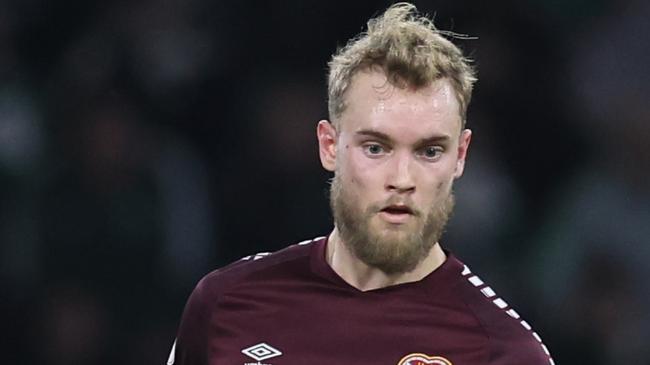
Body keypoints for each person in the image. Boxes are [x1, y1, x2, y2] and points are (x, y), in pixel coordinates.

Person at [168, 3, 554, 365]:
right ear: (330, 145)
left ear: (461, 156)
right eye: (376, 147)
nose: (402, 180)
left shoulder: (504, 353)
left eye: (429, 151)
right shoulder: (227, 304)